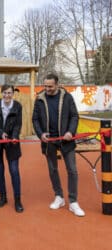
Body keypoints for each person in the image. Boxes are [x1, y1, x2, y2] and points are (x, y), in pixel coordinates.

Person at [32, 73, 85, 217]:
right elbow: (35, 119)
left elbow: (74, 115)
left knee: (72, 170)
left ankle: (73, 201)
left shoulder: (67, 97)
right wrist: (41, 134)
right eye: (45, 86)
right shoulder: (39, 99)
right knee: (52, 169)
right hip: (49, 142)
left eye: (50, 86)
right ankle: (59, 196)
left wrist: (70, 131)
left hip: (66, 140)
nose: (47, 89)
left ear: (57, 84)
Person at [0, 84, 24, 213]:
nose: (7, 95)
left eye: (9, 93)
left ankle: (17, 200)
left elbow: (18, 124)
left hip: (12, 141)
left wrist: (14, 136)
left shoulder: (17, 106)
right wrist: (1, 133)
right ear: (1, 93)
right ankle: (3, 196)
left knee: (14, 170)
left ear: (13, 94)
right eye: (5, 93)